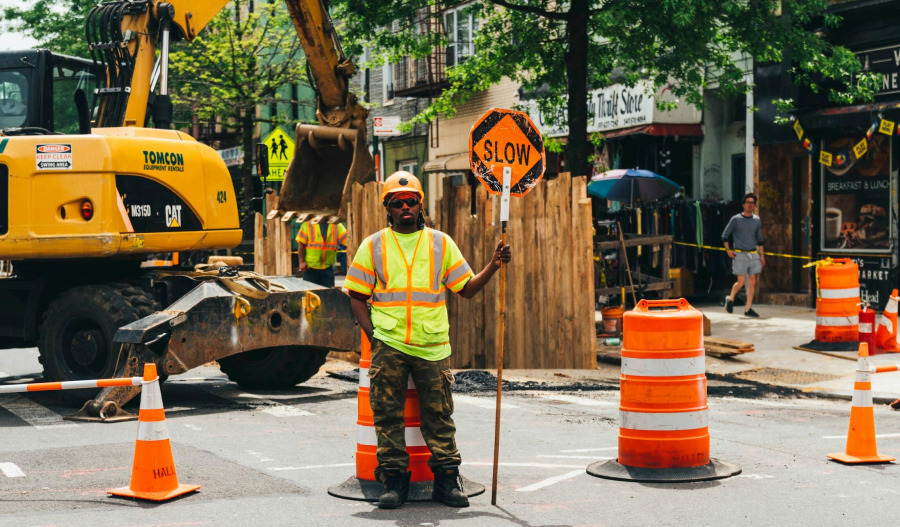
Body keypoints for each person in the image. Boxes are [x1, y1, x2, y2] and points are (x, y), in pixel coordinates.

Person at [345, 171, 510, 509]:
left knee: (439, 415)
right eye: (397, 202)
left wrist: (493, 266)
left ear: (420, 206)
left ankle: (447, 481)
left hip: (431, 345)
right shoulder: (373, 245)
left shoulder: (440, 242)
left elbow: (465, 289)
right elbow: (356, 296)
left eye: (411, 201)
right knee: (387, 415)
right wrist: (373, 336)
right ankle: (393, 482)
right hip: (388, 345)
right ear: (388, 209)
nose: (405, 207)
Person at [722, 192, 765, 317]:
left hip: (753, 253)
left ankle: (748, 309)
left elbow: (760, 238)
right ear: (743, 204)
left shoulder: (757, 220)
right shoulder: (736, 219)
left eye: (752, 203)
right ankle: (730, 298)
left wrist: (762, 255)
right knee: (741, 282)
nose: (750, 205)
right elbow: (725, 235)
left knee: (752, 281)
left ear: (755, 205)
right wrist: (728, 250)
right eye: (748, 202)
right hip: (739, 253)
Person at [295, 219, 348, 287]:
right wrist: (301, 262)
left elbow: (347, 240)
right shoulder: (307, 224)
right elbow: (301, 245)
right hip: (310, 268)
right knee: (311, 294)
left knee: (328, 294)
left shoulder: (336, 225)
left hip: (327, 267)